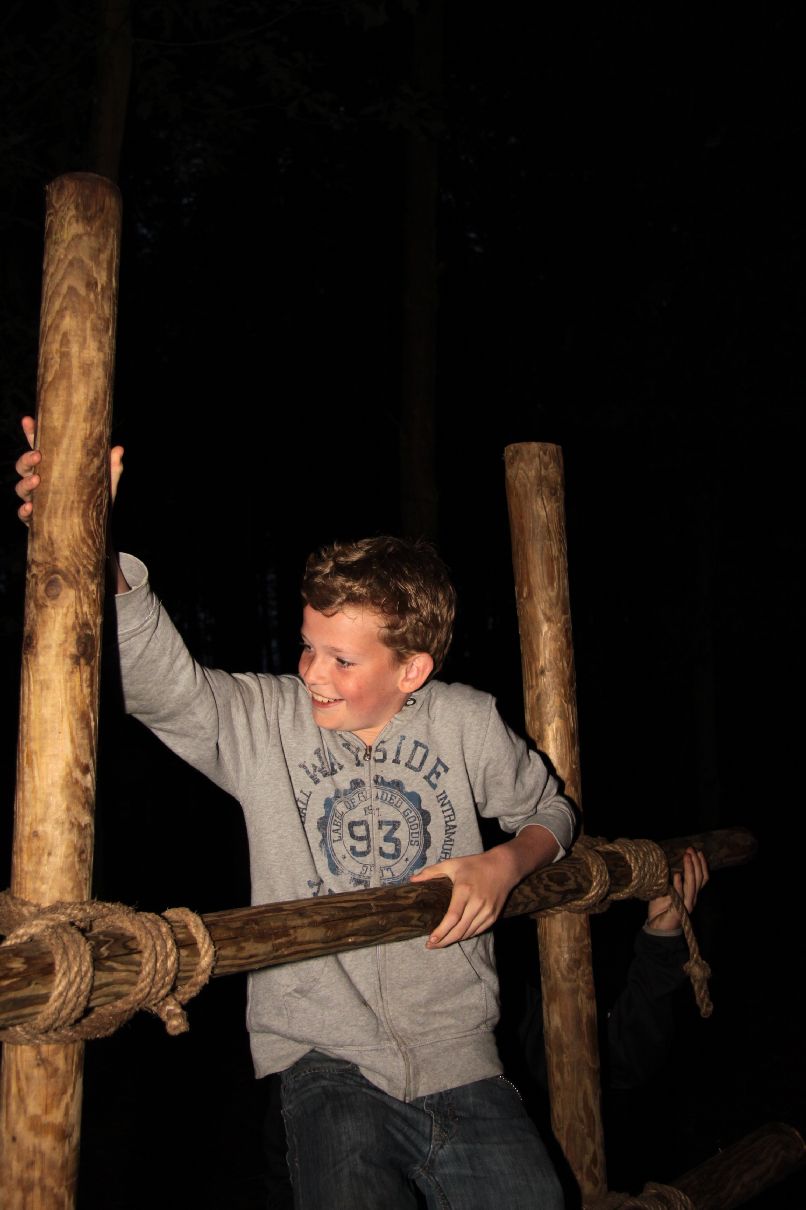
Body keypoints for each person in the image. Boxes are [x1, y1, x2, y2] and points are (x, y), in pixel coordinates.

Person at [15, 417, 577, 1210]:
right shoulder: (267, 722)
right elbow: (162, 689)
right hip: (323, 1063)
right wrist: (92, 549)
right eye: (309, 645)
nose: (311, 672)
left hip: (465, 1058)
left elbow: (551, 810)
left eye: (342, 660)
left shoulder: (467, 723)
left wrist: (505, 863)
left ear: (411, 669)